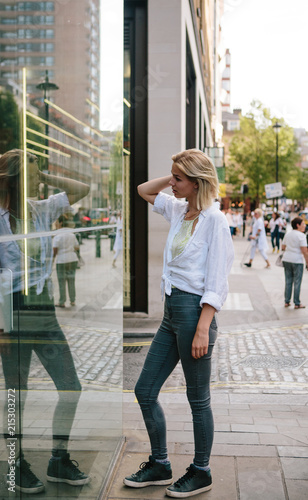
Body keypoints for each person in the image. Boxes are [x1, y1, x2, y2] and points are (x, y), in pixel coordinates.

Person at [123, 149, 234, 497]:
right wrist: (173, 173)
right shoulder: (177, 209)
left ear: (197, 182)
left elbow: (217, 279)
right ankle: (160, 464)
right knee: (144, 391)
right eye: (171, 176)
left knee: (197, 398)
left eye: (178, 178)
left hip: (193, 314)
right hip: (171, 314)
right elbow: (143, 189)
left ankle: (201, 471)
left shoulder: (214, 220)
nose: (171, 183)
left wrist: (203, 328)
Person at [0, 149, 90, 494]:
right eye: (32, 173)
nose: (38, 178)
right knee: (16, 394)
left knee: (71, 387)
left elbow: (82, 188)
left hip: (44, 310)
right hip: (13, 310)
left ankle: (58, 458)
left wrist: (46, 176)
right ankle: (16, 462)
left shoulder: (42, 209)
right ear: (15, 178)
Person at [53, 215, 79, 307]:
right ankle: (72, 300)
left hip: (61, 261)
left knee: (62, 281)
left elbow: (55, 249)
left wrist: (52, 260)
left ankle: (62, 301)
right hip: (72, 259)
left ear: (60, 223)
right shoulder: (71, 234)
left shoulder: (58, 235)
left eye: (56, 222)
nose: (55, 224)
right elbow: (77, 246)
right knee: (71, 280)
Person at [281, 216, 308, 309]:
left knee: (288, 281)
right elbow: (304, 251)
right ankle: (297, 302)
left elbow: (283, 247)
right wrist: (307, 262)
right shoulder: (301, 236)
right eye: (303, 224)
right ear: (298, 225)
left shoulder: (288, 234)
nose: (304, 226)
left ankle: (286, 301)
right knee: (297, 282)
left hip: (287, 259)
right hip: (297, 260)